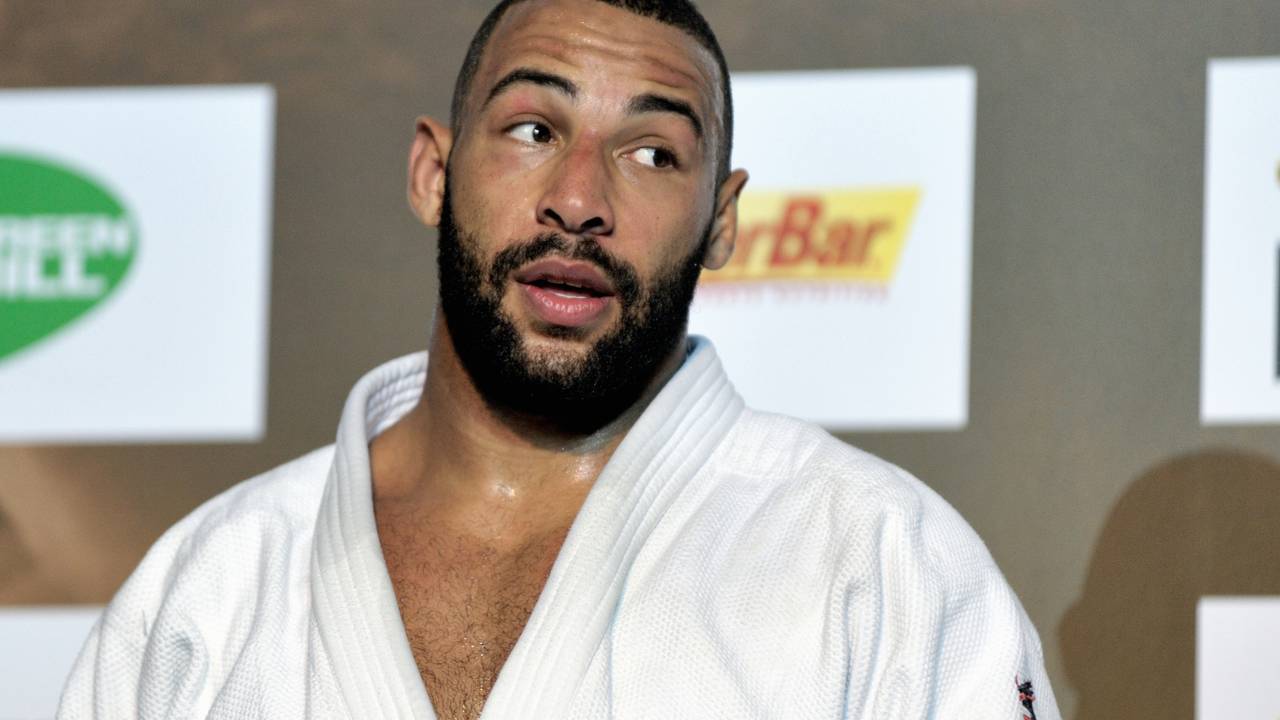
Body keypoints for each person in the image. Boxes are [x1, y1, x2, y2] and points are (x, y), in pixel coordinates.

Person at [59, 1, 1061, 718]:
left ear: (721, 220)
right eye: (534, 129)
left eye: (652, 153)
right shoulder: (209, 587)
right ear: (433, 172)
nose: (579, 200)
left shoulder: (878, 565)